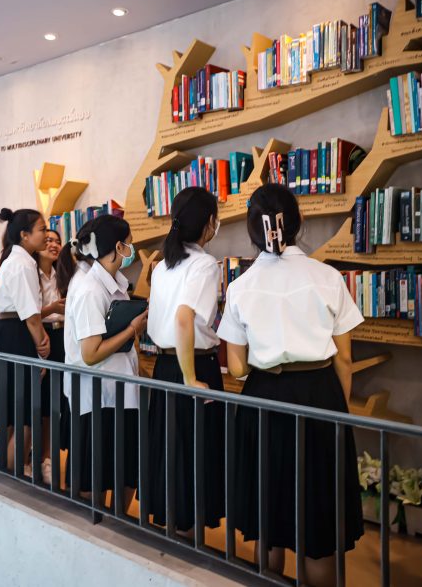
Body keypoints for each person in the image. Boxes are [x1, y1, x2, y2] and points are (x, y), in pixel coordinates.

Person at [217, 183, 364, 585]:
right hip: (321, 395)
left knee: (268, 515)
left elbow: (237, 368)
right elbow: (344, 358)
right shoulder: (328, 277)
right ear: (298, 222)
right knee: (318, 523)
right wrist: (337, 412)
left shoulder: (240, 286)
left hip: (264, 397)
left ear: (253, 230)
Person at [145, 186, 225, 535]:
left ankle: (172, 540)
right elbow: (183, 318)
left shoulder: (163, 265)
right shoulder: (204, 264)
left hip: (164, 366)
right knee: (195, 459)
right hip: (193, 364)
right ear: (209, 223)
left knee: (171, 456)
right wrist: (191, 378)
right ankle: (189, 546)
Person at [62, 215, 147, 509]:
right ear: (118, 247)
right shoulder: (89, 289)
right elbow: (90, 353)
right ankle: (95, 525)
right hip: (99, 395)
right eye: (129, 244)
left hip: (119, 390)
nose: (132, 250)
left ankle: (117, 521)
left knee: (123, 468)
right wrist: (132, 329)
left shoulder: (113, 283)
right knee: (95, 473)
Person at [0, 207, 51, 477]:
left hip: (7, 331)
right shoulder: (23, 263)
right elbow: (31, 316)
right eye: (42, 230)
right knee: (24, 415)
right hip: (17, 334)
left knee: (14, 414)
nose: (47, 235)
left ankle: (8, 470)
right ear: (25, 235)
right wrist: (42, 346)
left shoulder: (15, 259)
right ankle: (14, 476)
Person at [36, 228, 70, 466]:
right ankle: (33, 452)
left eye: (57, 241)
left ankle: (47, 457)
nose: (53, 245)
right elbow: (25, 313)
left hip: (61, 336)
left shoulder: (63, 274)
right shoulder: (31, 274)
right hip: (40, 334)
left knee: (55, 400)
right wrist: (53, 308)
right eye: (48, 240)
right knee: (39, 400)